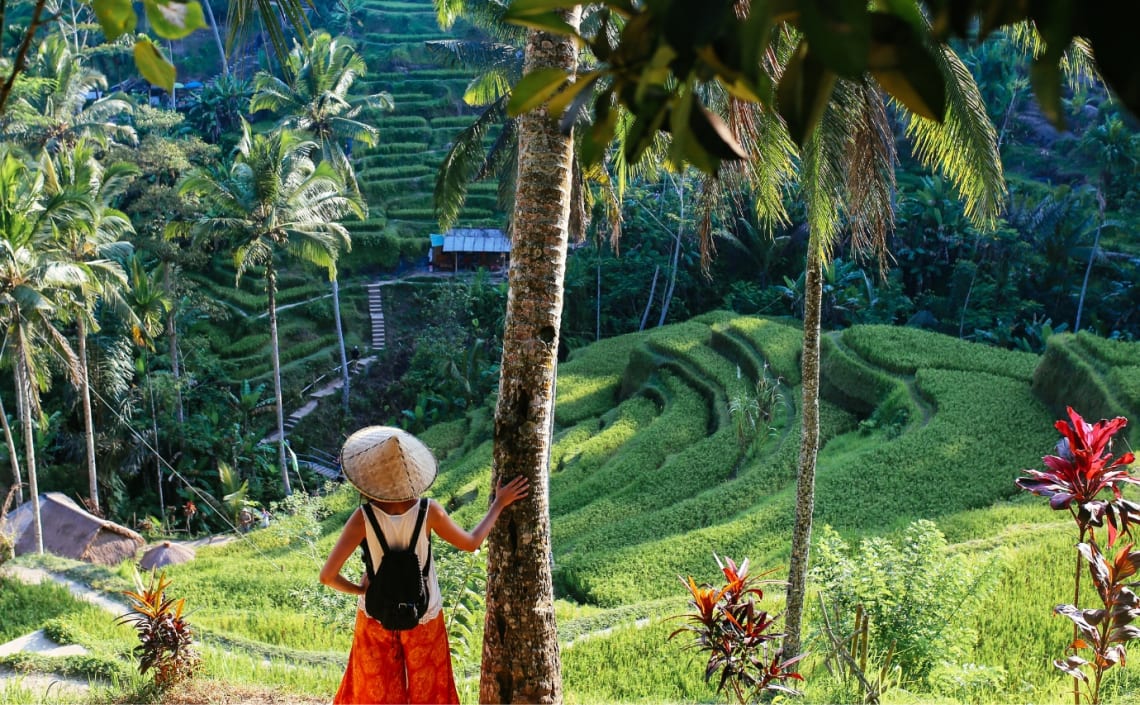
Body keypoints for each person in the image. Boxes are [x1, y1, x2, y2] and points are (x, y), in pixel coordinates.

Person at [319, 426, 528, 705]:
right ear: (411, 473)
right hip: (424, 612)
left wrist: (360, 589)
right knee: (431, 692)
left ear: (369, 477)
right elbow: (471, 543)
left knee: (374, 693)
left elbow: (327, 576)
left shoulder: (362, 518)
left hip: (376, 614)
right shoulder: (430, 511)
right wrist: (499, 503)